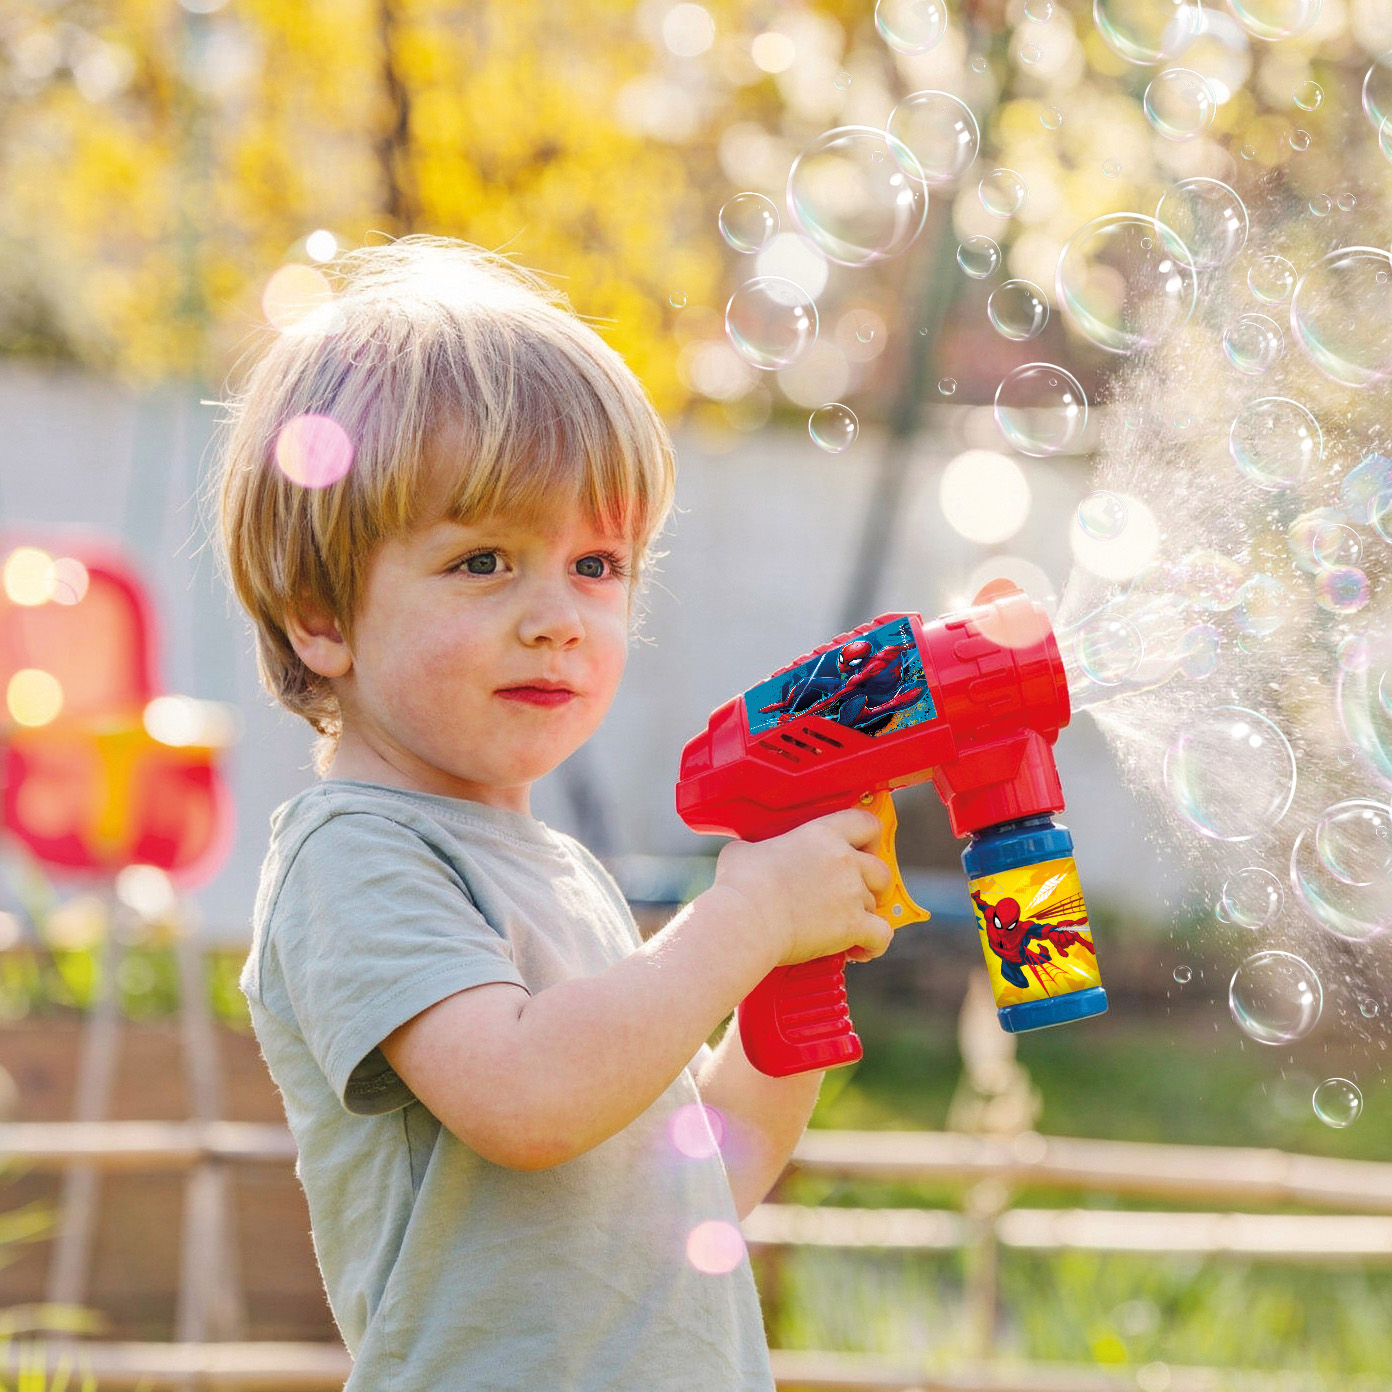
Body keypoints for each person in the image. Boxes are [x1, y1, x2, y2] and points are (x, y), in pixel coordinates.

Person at [210, 235, 896, 1390]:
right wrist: (745, 921)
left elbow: (695, 1189)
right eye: (484, 561)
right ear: (319, 613)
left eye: (597, 565)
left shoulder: (561, 874)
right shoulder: (354, 859)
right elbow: (527, 1100)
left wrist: (792, 965)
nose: (559, 617)